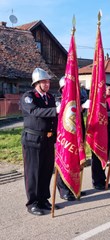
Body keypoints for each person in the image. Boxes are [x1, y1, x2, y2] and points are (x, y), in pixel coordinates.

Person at [21, 68, 59, 216]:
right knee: (33, 173)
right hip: (33, 140)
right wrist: (55, 110)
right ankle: (32, 203)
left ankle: (43, 199)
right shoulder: (28, 97)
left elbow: (54, 119)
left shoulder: (49, 97)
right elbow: (35, 111)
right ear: (36, 83)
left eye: (48, 81)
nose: (47, 84)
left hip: (48, 139)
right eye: (44, 81)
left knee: (46, 171)